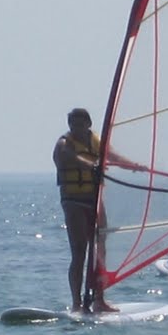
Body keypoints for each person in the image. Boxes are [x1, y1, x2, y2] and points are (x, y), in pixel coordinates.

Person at [53, 107, 146, 312]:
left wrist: (134, 166)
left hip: (94, 200)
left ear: (88, 124)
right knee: (79, 251)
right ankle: (77, 303)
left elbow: (113, 156)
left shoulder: (97, 141)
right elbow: (71, 158)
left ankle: (99, 299)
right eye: (72, 125)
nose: (75, 128)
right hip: (74, 201)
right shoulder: (63, 145)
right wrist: (91, 165)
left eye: (79, 124)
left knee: (100, 251)